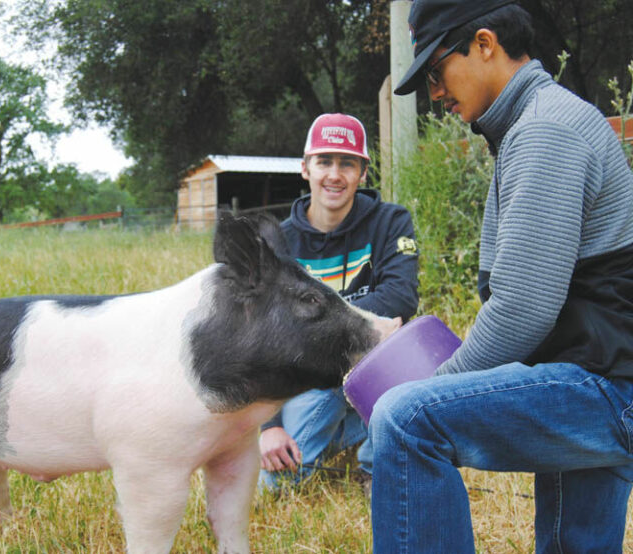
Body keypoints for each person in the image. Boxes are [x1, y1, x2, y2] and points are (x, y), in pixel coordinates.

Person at [369, 0, 633, 551]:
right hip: (598, 368)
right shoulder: (541, 120)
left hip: (606, 386)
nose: (435, 92)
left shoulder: (546, 131)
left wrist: (434, 385)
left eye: (437, 71)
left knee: (405, 417)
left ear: (485, 44)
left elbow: (522, 308)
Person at [258, 113, 419, 490]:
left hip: (378, 361)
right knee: (282, 484)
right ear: (305, 169)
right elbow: (264, 337)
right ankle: (357, 427)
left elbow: (400, 298)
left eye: (347, 163)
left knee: (417, 365)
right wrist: (268, 428)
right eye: (324, 161)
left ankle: (373, 462)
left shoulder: (391, 221)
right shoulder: (278, 243)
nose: (335, 174)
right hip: (314, 373)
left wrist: (313, 326)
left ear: (363, 173)